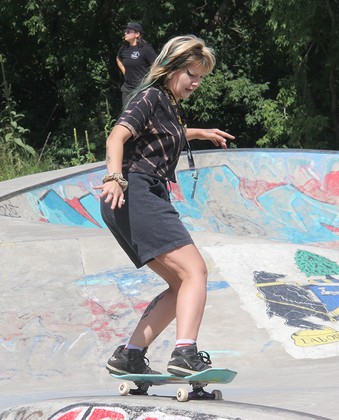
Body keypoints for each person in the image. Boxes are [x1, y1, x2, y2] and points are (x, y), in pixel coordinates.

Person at [94, 35, 235, 377]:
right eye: (191, 74)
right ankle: (185, 352)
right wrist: (114, 176)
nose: (196, 82)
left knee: (180, 282)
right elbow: (117, 135)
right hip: (136, 191)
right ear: (171, 68)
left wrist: (202, 133)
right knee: (195, 272)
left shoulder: (167, 104)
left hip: (142, 195)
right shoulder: (149, 96)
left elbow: (168, 133)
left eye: (201, 76)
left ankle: (130, 354)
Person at [116, 22, 157, 106]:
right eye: (125, 31)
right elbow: (118, 59)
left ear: (137, 34)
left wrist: (149, 80)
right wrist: (125, 73)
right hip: (128, 89)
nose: (125, 33)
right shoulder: (124, 48)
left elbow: (156, 65)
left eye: (128, 31)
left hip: (143, 89)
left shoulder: (145, 48)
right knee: (127, 116)